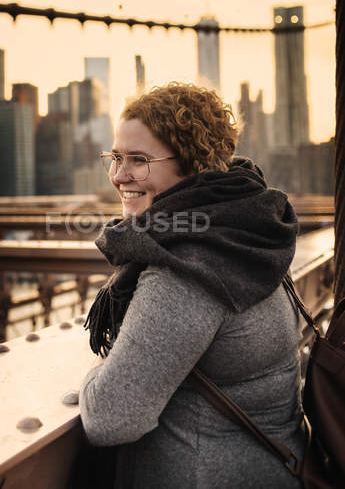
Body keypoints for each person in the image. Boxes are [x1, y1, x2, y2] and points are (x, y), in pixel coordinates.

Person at [79, 82, 305, 488]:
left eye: (138, 160)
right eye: (114, 157)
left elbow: (110, 417)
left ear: (191, 164)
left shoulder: (188, 268)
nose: (118, 175)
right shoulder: (245, 230)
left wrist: (102, 372)